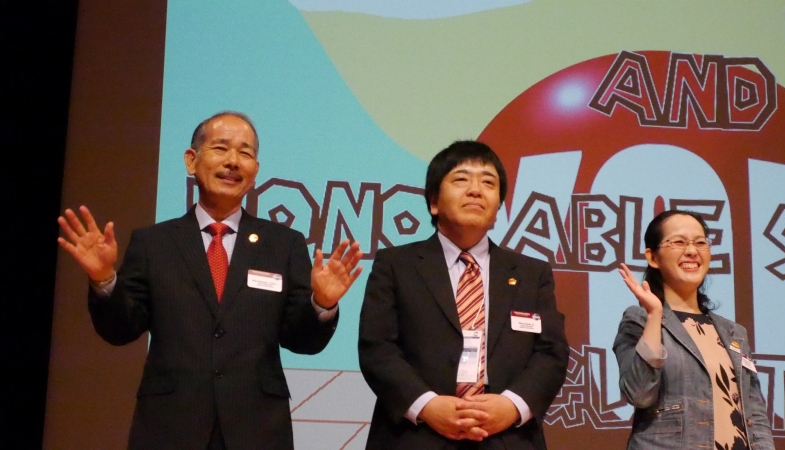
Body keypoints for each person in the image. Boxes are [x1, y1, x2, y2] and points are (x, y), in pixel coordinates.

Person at [57, 111, 363, 450]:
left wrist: (322, 303)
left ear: (255, 171)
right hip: (170, 426)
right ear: (191, 160)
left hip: (257, 429)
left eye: (245, 153)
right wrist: (104, 279)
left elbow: (302, 339)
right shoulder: (154, 243)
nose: (233, 161)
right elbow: (121, 329)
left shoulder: (283, 244)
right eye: (220, 148)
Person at [358, 140, 570, 449]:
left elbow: (551, 353)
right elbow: (377, 348)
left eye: (488, 183)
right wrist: (427, 405)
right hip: (417, 435)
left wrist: (512, 405)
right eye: (461, 180)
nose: (475, 191)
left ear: (497, 210)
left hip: (507, 437)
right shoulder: (396, 265)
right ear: (434, 202)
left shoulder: (531, 273)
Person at [613, 210, 775, 450]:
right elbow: (639, 394)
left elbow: (754, 412)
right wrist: (655, 315)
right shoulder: (640, 319)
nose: (692, 251)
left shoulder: (733, 332)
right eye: (679, 242)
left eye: (700, 242)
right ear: (653, 257)